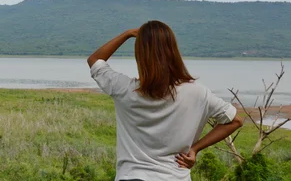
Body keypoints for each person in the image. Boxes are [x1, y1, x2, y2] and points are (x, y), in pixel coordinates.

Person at [87, 20, 243, 181]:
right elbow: (235, 121)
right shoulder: (197, 92)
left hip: (132, 176)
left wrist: (128, 34)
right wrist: (195, 149)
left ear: (140, 54)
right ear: (173, 51)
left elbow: (95, 60)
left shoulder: (124, 89)